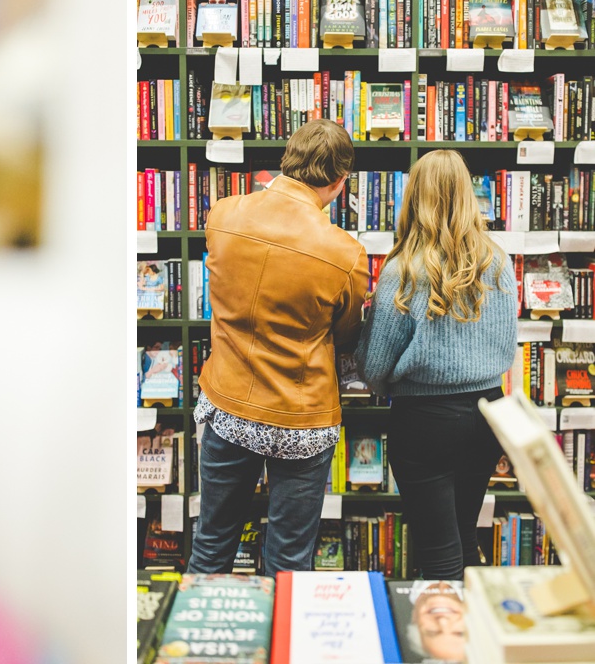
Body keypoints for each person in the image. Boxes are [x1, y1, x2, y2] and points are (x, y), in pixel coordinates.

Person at [189, 118, 369, 576]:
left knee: (211, 546)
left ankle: (196, 646)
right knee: (289, 561)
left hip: (229, 404)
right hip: (301, 416)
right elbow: (347, 334)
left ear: (286, 161)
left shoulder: (223, 214)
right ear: (339, 182)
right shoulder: (344, 253)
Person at [356, 149, 516, 580]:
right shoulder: (500, 263)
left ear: (415, 198)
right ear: (467, 195)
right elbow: (507, 345)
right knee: (465, 530)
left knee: (437, 548)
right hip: (489, 412)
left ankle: (445, 645)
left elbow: (373, 368)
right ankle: (476, 638)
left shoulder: (403, 270)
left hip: (425, 419)